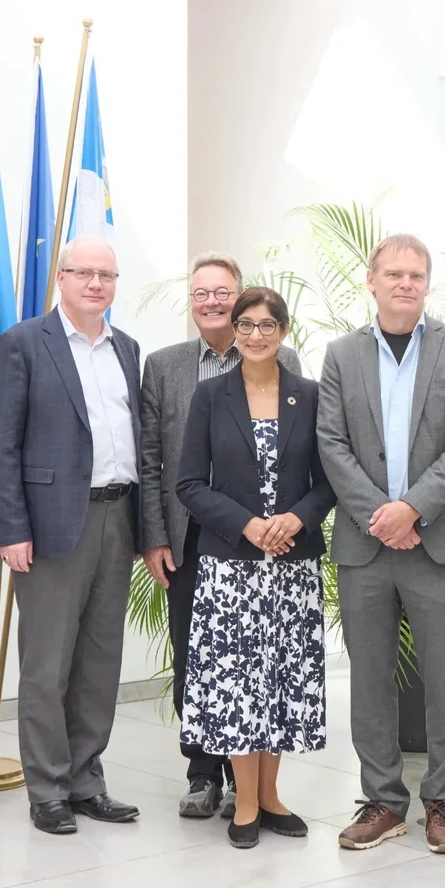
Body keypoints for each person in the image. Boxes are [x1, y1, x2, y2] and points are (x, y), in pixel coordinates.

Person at [317, 233, 445, 854]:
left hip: (435, 541)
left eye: (416, 274)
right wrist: (378, 515)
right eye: (393, 273)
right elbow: (330, 443)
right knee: (370, 678)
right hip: (365, 547)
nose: (405, 283)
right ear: (372, 279)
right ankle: (383, 800)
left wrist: (412, 508)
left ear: (427, 282)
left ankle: (443, 801)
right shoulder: (340, 354)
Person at [0, 235, 143, 835]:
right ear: (62, 277)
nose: (97, 284)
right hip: (50, 525)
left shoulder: (127, 348)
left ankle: (86, 779)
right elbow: (2, 444)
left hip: (116, 516)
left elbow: (139, 442)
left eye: (107, 275)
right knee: (47, 664)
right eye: (85, 274)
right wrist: (12, 528)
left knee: (101, 660)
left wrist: (143, 530)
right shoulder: (25, 343)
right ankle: (47, 787)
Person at [139, 253, 301, 819]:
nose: (212, 300)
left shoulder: (287, 365)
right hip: (191, 540)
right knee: (200, 661)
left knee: (264, 664)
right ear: (193, 300)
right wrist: (154, 537)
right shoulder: (165, 366)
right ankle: (203, 772)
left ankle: (249, 785)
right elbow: (154, 460)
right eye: (201, 291)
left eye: (222, 291)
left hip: (274, 546)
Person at [175, 287, 336, 848]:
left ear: (284, 332)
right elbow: (189, 483)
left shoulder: (311, 396)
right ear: (235, 330)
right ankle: (244, 802)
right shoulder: (210, 396)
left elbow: (329, 481)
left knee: (280, 682)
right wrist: (246, 524)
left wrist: (296, 519)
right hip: (231, 568)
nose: (256, 335)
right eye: (246, 324)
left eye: (268, 325)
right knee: (239, 684)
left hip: (292, 567)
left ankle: (270, 796)